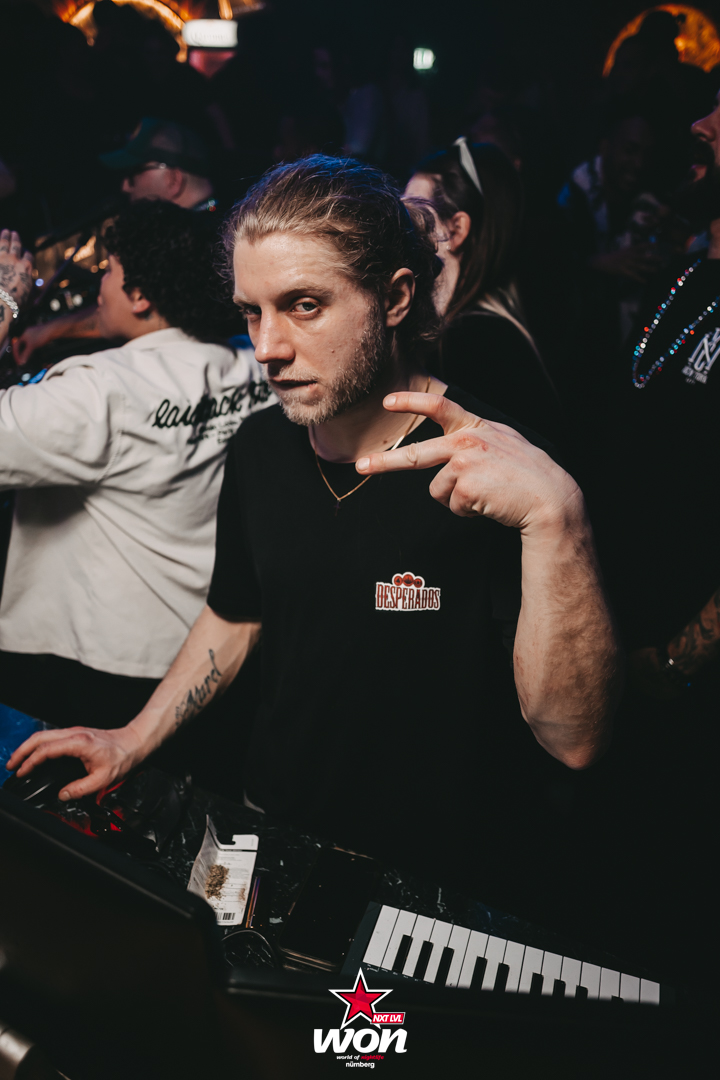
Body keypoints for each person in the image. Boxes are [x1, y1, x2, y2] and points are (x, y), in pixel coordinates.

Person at [8, 157, 620, 889]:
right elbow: (236, 614)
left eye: (304, 305)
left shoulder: (497, 473)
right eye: (252, 312)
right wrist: (130, 740)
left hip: (435, 869)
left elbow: (575, 740)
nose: (267, 346)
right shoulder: (260, 447)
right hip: (271, 821)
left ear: (395, 297)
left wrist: (559, 524)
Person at [0, 200, 272, 728]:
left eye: (109, 271)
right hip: (214, 651)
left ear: (141, 295)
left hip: (104, 668)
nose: (100, 286)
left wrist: (7, 297)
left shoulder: (101, 391)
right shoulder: (250, 361)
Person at [13, 118, 218, 369]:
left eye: (134, 174)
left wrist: (46, 331)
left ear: (173, 179)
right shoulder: (206, 227)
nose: (125, 186)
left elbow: (129, 312)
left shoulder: (201, 243)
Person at [404, 139, 562, 444]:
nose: (402, 225)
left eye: (414, 212)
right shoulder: (477, 330)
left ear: (456, 230)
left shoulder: (475, 341)